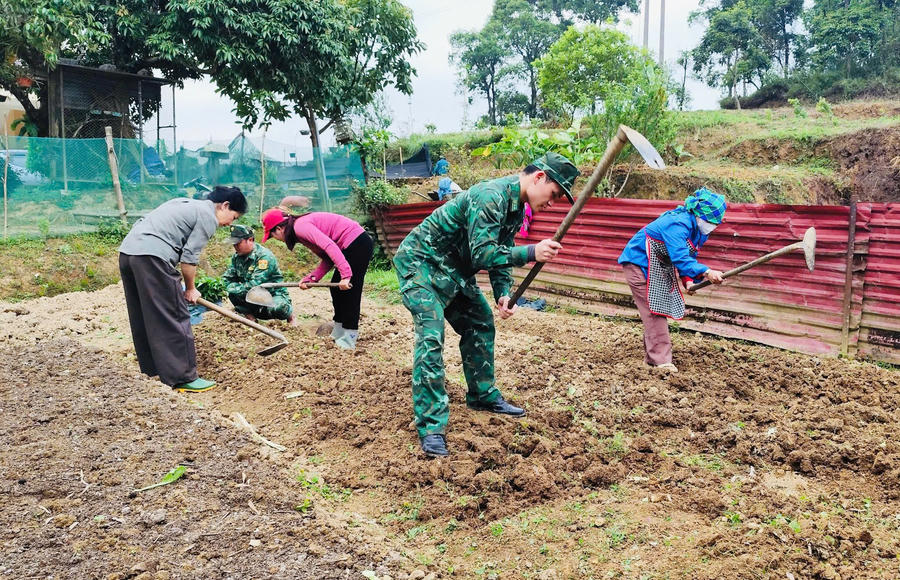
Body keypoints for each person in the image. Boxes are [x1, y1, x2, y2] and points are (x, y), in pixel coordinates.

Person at [394, 151, 579, 458]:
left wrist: (502, 293)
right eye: (554, 193)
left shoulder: (515, 207)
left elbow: (501, 253)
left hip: (453, 270)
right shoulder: (490, 195)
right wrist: (531, 252)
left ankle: (481, 395)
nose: (553, 202)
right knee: (431, 335)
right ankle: (430, 426)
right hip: (421, 264)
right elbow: (483, 255)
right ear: (539, 178)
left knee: (480, 321)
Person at [118, 186, 247, 392]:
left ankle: (153, 370)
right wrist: (190, 289)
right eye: (234, 216)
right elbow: (189, 258)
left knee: (144, 315)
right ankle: (183, 377)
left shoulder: (183, 203)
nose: (230, 223)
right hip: (153, 256)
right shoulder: (208, 216)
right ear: (225, 206)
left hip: (128, 252)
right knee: (175, 314)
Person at [617, 188, 727, 373]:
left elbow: (690, 254)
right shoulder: (677, 223)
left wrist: (689, 281)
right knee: (655, 310)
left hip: (657, 265)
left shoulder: (699, 230)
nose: (712, 226)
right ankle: (661, 362)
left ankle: (652, 359)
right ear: (698, 214)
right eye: (710, 221)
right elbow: (680, 258)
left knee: (656, 309)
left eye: (715, 223)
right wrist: (707, 272)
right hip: (638, 264)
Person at [260, 206, 373, 350]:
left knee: (350, 292)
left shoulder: (301, 227)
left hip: (357, 243)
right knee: (336, 290)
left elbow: (330, 246)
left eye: (272, 235)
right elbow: (327, 258)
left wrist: (346, 276)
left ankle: (349, 337)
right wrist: (312, 279)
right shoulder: (299, 232)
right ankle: (339, 330)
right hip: (348, 246)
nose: (275, 239)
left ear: (279, 229)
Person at [222, 224, 296, 325]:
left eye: (238, 243)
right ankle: (251, 318)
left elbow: (255, 285)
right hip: (251, 296)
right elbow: (226, 279)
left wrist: (233, 287)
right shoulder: (237, 258)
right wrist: (231, 288)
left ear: (250, 240)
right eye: (234, 244)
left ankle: (290, 315)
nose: (235, 246)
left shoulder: (264, 257)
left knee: (279, 308)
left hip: (272, 295)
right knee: (233, 294)